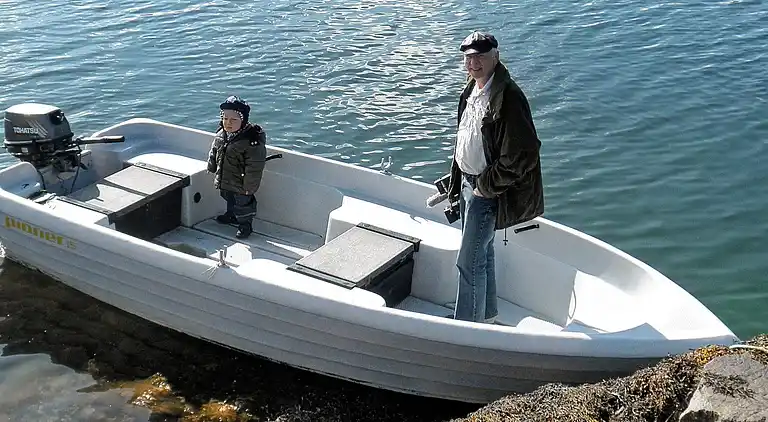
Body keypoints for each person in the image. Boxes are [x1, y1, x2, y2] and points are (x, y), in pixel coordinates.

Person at [446, 31, 545, 323]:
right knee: (482, 254)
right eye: (468, 57)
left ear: (496, 57)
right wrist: (457, 180)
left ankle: (467, 330)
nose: (473, 63)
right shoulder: (472, 90)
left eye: (480, 56)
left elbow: (524, 154)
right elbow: (468, 138)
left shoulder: (508, 97)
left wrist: (485, 187)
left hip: (485, 190)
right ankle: (486, 317)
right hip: (468, 184)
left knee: (469, 261)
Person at [207, 95, 267, 239]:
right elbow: (214, 151)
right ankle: (231, 215)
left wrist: (249, 186)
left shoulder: (251, 141)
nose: (228, 123)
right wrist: (211, 166)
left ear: (243, 120)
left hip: (241, 182)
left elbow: (254, 167)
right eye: (225, 118)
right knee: (228, 197)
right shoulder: (221, 134)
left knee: (243, 204)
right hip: (225, 178)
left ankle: (245, 225)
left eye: (234, 120)